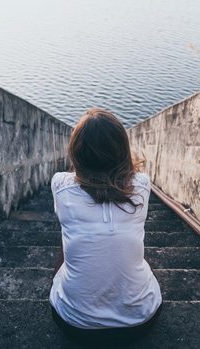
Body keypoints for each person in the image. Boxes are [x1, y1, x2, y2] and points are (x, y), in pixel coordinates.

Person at [48, 108, 162, 345]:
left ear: (76, 152)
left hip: (75, 324)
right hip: (140, 321)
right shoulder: (142, 185)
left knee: (67, 245)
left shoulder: (60, 185)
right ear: (122, 150)